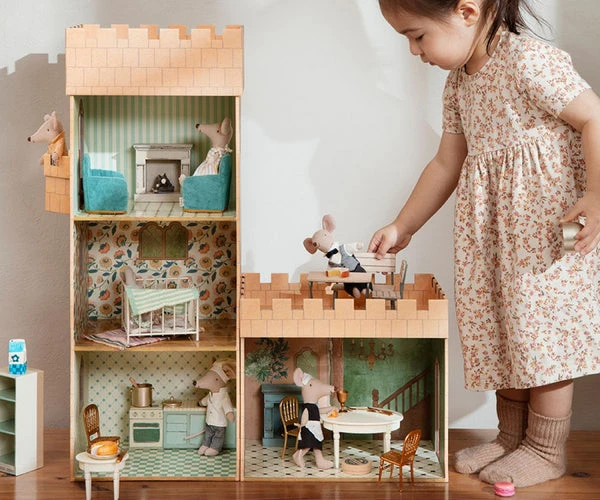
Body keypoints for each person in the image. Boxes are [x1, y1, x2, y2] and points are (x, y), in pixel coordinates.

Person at [369, 0, 600, 489]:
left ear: (467, 11)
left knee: (543, 336)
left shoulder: (527, 60)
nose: (414, 52)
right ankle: (511, 437)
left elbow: (594, 117)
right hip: (493, 236)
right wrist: (403, 225)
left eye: (417, 36)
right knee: (499, 328)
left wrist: (597, 194)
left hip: (544, 233)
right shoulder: (458, 84)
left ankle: (545, 449)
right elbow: (446, 162)